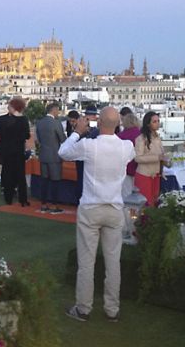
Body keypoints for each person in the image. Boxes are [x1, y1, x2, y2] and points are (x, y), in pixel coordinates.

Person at [59, 107, 135, 323]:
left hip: (91, 208)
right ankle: (112, 310)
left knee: (86, 262)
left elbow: (63, 152)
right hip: (114, 209)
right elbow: (129, 153)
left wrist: (77, 131)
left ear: (98, 122)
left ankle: (83, 308)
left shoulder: (89, 146)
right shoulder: (126, 147)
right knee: (113, 262)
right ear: (117, 123)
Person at [0, 97, 30, 206]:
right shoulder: (24, 120)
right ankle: (22, 199)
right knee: (20, 175)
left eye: (9, 105)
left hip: (6, 152)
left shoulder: (2, 119)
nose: (7, 107)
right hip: (18, 152)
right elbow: (27, 135)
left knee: (7, 174)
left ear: (14, 107)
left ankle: (8, 198)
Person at [36, 102, 66, 214]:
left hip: (43, 155)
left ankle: (43, 205)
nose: (58, 112)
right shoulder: (56, 123)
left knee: (44, 181)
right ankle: (54, 206)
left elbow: (38, 139)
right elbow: (62, 139)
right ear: (54, 110)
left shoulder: (39, 123)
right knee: (55, 181)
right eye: (58, 110)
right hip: (54, 156)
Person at [134, 111, 165, 207]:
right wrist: (157, 158)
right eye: (154, 121)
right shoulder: (141, 138)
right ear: (148, 124)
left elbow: (161, 154)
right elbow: (137, 158)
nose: (157, 123)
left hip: (156, 175)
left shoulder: (157, 137)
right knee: (146, 204)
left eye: (158, 121)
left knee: (154, 202)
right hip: (144, 175)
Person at [117, 113, 141, 198]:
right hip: (139, 169)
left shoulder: (119, 136)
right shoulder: (140, 135)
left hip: (124, 169)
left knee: (126, 196)